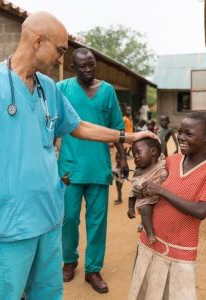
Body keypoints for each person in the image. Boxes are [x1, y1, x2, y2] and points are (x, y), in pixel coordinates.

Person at [0, 11, 157, 300]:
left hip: (48, 219)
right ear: (37, 40)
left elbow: (79, 126)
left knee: (47, 295)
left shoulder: (48, 88)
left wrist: (130, 136)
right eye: (59, 50)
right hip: (7, 224)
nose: (61, 59)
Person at [128, 112, 206, 300]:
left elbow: (200, 211)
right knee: (143, 292)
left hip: (179, 253)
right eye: (180, 131)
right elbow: (148, 182)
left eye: (188, 133)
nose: (181, 137)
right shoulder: (171, 161)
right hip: (149, 243)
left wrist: (162, 191)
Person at [57, 48, 128, 293]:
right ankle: (69, 260)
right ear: (73, 68)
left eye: (91, 66)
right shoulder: (62, 89)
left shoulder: (107, 91)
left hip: (98, 167)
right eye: (83, 67)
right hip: (69, 167)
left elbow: (117, 128)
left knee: (97, 221)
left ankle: (93, 269)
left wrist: (122, 159)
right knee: (68, 218)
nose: (88, 70)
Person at [126, 138, 167, 245]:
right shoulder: (138, 173)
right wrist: (130, 208)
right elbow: (133, 192)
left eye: (138, 152)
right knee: (144, 209)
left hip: (164, 196)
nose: (135, 156)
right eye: (133, 154)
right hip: (148, 200)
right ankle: (150, 234)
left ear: (153, 151)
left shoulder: (163, 164)